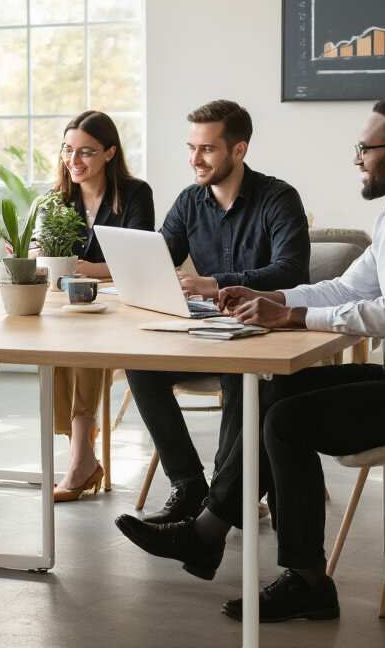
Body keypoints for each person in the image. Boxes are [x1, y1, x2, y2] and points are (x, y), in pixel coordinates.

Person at [116, 94, 385, 624]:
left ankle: (295, 575)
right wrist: (274, 300)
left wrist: (292, 319)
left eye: (364, 147)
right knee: (275, 392)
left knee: (288, 422)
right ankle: (212, 537)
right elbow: (344, 288)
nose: (356, 158)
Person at [125, 100, 310, 524]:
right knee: (138, 366)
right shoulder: (189, 202)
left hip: (264, 330)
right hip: (208, 330)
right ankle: (189, 485)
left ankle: (225, 504)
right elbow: (157, 258)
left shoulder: (278, 198)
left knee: (238, 376)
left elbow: (290, 271)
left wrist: (217, 283)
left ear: (239, 150)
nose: (194, 159)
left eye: (206, 149)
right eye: (191, 148)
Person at [48, 111, 155, 502]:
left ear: (110, 153)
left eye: (86, 152)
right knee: (62, 341)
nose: (74, 161)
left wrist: (88, 268)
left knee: (85, 340)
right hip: (70, 309)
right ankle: (81, 452)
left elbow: (141, 262)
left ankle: (80, 459)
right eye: (68, 150)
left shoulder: (135, 194)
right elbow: (49, 261)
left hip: (125, 312)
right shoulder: (57, 199)